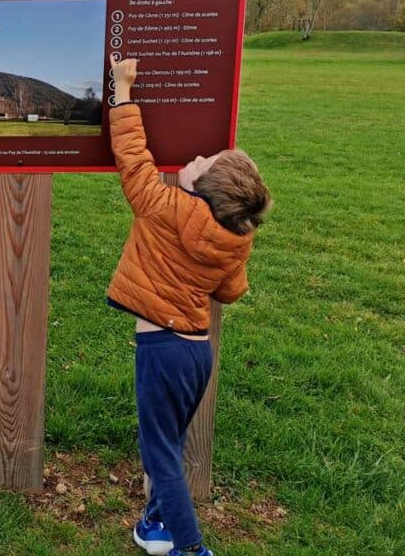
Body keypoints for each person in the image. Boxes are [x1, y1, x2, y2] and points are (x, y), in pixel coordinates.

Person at [107, 58, 272, 556]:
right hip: (197, 353)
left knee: (159, 457)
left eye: (205, 163)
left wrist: (121, 86)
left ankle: (191, 548)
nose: (197, 158)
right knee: (171, 443)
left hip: (162, 349)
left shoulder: (164, 207)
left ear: (203, 189)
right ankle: (156, 526)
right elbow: (230, 291)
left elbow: (133, 157)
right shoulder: (235, 239)